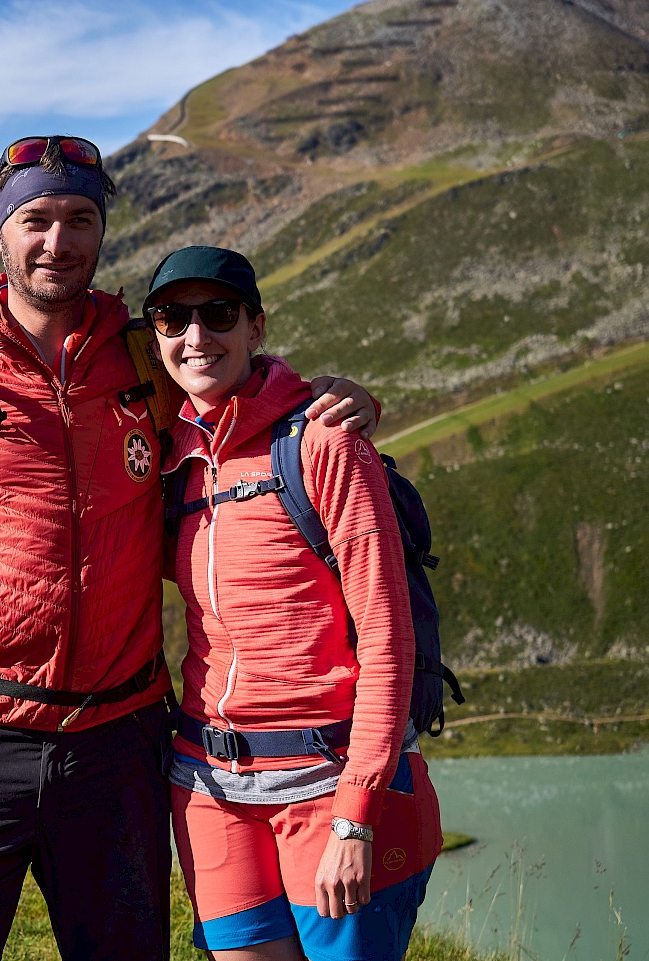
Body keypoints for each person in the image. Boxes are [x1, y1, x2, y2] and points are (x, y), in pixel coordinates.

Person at [0, 137, 378, 961]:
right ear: (1, 236)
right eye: (37, 219)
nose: (59, 240)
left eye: (80, 218)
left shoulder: (139, 357)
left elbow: (236, 396)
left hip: (118, 745)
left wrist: (337, 399)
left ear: (103, 230)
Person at [148, 246, 442, 961]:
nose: (195, 336)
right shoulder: (167, 454)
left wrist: (355, 818)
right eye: (172, 317)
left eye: (219, 314)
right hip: (211, 786)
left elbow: (387, 642)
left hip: (332, 788)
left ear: (256, 326)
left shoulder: (324, 443)